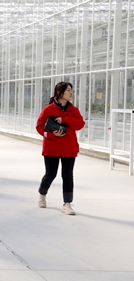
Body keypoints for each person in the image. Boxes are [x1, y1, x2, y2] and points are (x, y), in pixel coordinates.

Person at [35, 82, 85, 215]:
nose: (71, 93)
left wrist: (65, 119)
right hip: (51, 147)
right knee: (51, 174)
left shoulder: (74, 110)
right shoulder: (48, 109)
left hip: (69, 148)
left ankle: (67, 204)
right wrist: (51, 134)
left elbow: (80, 124)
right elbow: (39, 126)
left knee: (68, 175)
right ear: (59, 92)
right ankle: (42, 194)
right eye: (68, 90)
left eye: (71, 90)